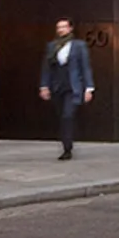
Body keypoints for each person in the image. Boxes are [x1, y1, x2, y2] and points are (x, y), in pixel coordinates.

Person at [37, 19, 94, 160]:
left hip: (73, 87)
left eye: (63, 27)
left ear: (70, 29)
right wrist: (44, 86)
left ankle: (67, 148)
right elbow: (46, 68)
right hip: (57, 86)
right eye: (58, 27)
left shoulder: (79, 46)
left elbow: (85, 67)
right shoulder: (51, 46)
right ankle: (66, 141)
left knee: (67, 115)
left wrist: (89, 88)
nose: (61, 30)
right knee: (62, 117)